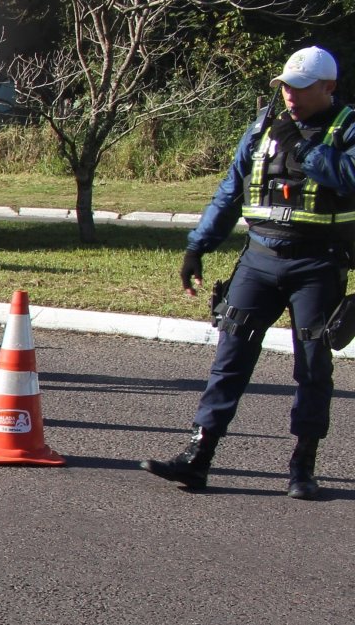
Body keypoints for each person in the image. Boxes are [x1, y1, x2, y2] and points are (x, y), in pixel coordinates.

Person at [143, 45, 355, 499]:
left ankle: (303, 467)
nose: (290, 97)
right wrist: (197, 247)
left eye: (300, 89)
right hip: (259, 259)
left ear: (329, 87)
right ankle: (198, 457)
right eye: (285, 88)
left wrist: (305, 149)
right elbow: (230, 190)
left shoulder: (348, 127)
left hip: (318, 263)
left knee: (313, 366)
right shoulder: (262, 127)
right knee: (230, 359)